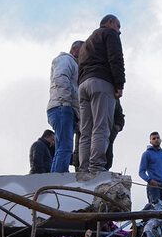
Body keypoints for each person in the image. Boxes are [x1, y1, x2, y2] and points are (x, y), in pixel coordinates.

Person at [77, 14, 125, 174]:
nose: (119, 32)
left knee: (86, 130)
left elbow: (80, 67)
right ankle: (96, 166)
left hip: (83, 85)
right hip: (101, 82)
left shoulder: (86, 44)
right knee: (101, 126)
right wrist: (119, 84)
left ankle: (83, 168)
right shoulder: (109, 34)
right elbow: (116, 58)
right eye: (118, 26)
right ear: (110, 23)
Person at [47, 41, 83, 172]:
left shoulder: (72, 63)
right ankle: (59, 178)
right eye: (83, 52)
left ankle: (56, 176)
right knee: (65, 146)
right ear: (75, 50)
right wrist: (66, 102)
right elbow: (60, 78)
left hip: (63, 107)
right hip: (62, 107)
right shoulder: (65, 60)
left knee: (63, 146)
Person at [139, 132, 162, 211]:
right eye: (154, 138)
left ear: (160, 140)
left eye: (158, 138)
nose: (156, 140)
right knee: (156, 212)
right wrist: (150, 180)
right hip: (154, 187)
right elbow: (141, 172)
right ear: (150, 142)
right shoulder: (146, 154)